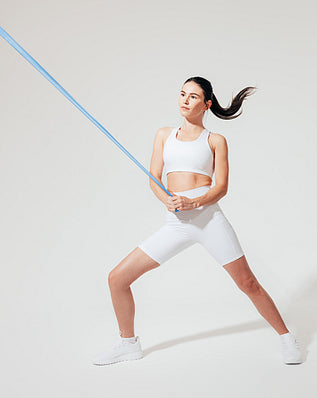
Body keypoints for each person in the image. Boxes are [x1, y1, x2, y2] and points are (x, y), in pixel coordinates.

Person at [91, 76, 302, 366]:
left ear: (206, 104)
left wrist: (194, 201)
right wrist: (166, 199)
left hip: (208, 219)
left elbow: (221, 187)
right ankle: (128, 344)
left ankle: (286, 338)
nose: (185, 100)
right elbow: (154, 178)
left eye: (192, 96)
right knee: (117, 278)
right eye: (182, 94)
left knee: (248, 282)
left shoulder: (215, 140)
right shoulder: (164, 134)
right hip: (175, 224)